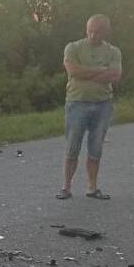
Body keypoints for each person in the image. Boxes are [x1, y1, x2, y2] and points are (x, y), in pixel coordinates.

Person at [57, 14, 122, 200]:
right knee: (72, 146)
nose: (93, 36)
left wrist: (86, 73)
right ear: (86, 29)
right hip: (77, 102)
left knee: (95, 147)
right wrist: (101, 71)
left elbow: (115, 75)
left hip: (103, 104)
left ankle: (92, 187)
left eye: (97, 32)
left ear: (105, 32)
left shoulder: (113, 51)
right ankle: (66, 187)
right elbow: (72, 71)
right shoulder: (73, 47)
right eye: (90, 31)